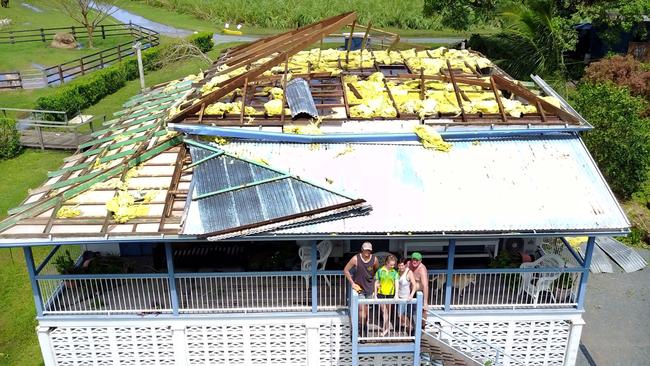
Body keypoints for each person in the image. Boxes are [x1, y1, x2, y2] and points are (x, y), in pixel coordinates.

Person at [343, 242, 379, 329]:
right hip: (359, 287)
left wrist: (375, 283)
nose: (367, 251)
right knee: (361, 309)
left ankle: (364, 326)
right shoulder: (355, 259)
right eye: (366, 249)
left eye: (369, 250)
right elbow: (346, 270)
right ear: (362, 249)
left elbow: (376, 271)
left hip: (370, 287)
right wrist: (352, 283)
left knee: (366, 310)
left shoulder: (374, 259)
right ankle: (360, 327)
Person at [375, 254, 398, 336]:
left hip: (390, 294)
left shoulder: (394, 272)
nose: (392, 266)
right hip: (381, 293)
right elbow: (376, 283)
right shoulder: (380, 271)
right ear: (386, 263)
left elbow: (396, 284)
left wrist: (396, 294)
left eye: (394, 265)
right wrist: (375, 294)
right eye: (391, 264)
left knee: (388, 312)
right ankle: (386, 328)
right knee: (384, 311)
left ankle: (386, 328)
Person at [396, 257, 417, 332]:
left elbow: (414, 285)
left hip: (406, 297)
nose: (401, 267)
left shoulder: (409, 272)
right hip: (398, 297)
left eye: (402, 265)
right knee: (400, 314)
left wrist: (411, 295)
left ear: (405, 265)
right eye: (399, 266)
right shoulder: (397, 272)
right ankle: (406, 325)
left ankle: (410, 327)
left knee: (402, 314)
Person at [408, 252, 429, 323]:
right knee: (409, 311)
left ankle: (422, 326)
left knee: (423, 310)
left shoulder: (422, 269)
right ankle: (410, 326)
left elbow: (425, 286)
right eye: (413, 259)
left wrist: (425, 302)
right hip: (410, 292)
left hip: (419, 293)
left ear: (420, 261)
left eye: (417, 260)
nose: (414, 261)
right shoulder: (408, 264)